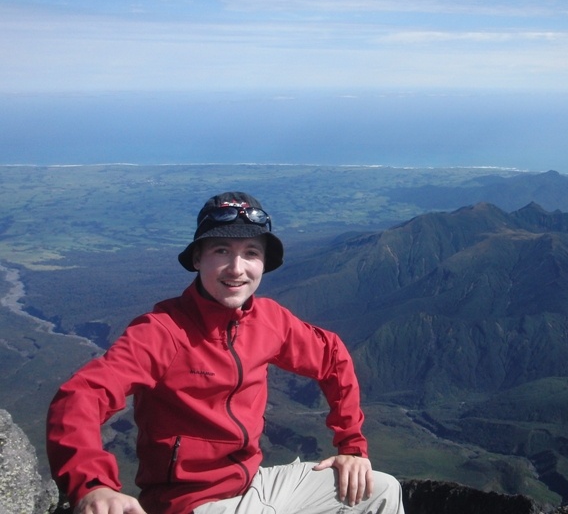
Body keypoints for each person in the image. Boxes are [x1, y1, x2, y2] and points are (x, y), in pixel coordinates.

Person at [46, 192, 405, 514]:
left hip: (257, 484)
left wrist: (352, 447)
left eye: (251, 253)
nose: (237, 269)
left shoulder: (269, 320)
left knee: (383, 490)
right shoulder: (162, 332)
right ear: (198, 259)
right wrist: (93, 484)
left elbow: (332, 357)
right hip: (194, 504)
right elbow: (81, 396)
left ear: (263, 264)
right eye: (222, 251)